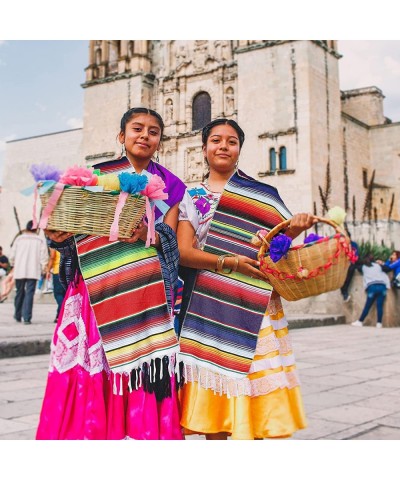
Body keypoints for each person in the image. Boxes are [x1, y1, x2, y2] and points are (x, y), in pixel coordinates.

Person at [36, 107, 186, 440]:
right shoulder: (95, 177)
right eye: (137, 128)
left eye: (153, 131)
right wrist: (56, 238)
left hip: (143, 294)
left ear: (160, 141)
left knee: (140, 372)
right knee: (92, 375)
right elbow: (69, 233)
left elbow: (170, 237)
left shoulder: (171, 186)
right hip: (94, 291)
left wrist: (148, 231)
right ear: (122, 136)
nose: (145, 135)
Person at [176, 118, 316, 440]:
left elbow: (276, 252)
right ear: (204, 148)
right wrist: (229, 262)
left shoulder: (263, 195)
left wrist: (292, 231)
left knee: (256, 391)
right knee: (217, 399)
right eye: (216, 140)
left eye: (231, 141)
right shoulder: (193, 195)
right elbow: (184, 252)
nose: (223, 146)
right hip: (210, 304)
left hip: (256, 305)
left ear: (240, 149)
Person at [9, 221, 48, 324]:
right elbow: (44, 257)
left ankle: (17, 315)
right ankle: (27, 317)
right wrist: (44, 267)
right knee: (29, 293)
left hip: (20, 270)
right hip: (33, 270)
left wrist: (13, 264)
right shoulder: (39, 240)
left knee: (19, 292)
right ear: (36, 229)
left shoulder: (19, 239)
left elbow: (12, 255)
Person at [351, 255, 391, 328]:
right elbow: (388, 269)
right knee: (380, 306)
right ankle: (379, 323)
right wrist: (380, 263)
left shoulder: (363, 267)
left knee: (367, 306)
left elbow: (355, 265)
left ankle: (360, 321)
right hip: (382, 286)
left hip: (372, 287)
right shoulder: (378, 266)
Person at [46, 247, 66, 323]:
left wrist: (48, 270)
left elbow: (52, 256)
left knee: (58, 294)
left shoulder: (55, 242)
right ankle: (59, 316)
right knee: (64, 294)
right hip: (68, 271)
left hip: (58, 271)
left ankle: (61, 313)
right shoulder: (69, 241)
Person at [340, 232, 359, 302]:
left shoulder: (354, 245)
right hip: (342, 265)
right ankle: (344, 293)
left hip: (351, 264)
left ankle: (344, 293)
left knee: (350, 271)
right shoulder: (340, 245)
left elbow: (356, 255)